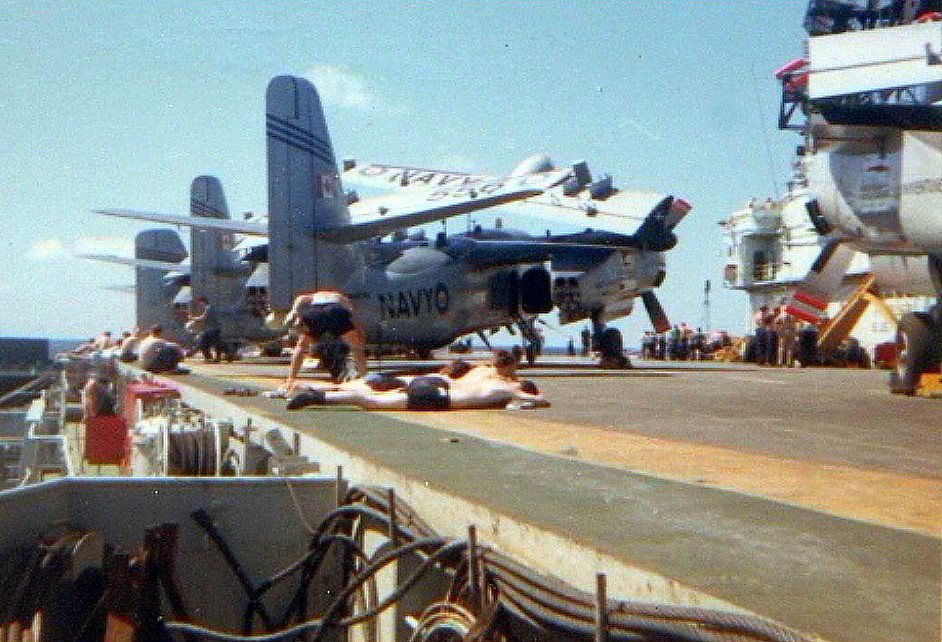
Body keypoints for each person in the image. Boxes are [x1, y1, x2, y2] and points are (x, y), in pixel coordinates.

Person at [281, 291, 368, 393]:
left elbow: (300, 298)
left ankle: (291, 378)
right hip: (335, 311)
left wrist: (294, 310)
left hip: (315, 312)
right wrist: (359, 331)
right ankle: (364, 379)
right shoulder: (339, 297)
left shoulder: (315, 296)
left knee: (301, 346)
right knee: (356, 348)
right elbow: (351, 313)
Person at [189, 296, 223, 363]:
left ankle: (214, 358)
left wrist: (192, 318)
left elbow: (203, 318)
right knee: (205, 343)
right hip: (210, 329)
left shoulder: (209, 308)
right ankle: (209, 358)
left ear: (203, 302)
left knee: (210, 343)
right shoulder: (209, 308)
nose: (200, 305)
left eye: (200, 303)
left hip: (213, 329)